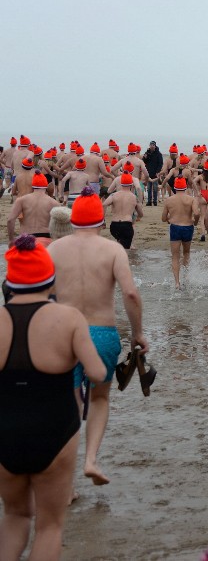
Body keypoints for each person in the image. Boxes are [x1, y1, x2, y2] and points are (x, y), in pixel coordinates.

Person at [0, 236, 107, 561]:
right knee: (49, 527)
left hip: (5, 431)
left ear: (10, 280)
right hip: (56, 430)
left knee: (15, 517)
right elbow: (98, 373)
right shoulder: (69, 318)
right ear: (49, 278)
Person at [48, 187, 147, 487]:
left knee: (68, 403)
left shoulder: (53, 250)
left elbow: (42, 294)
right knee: (100, 397)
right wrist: (138, 334)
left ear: (73, 220)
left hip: (63, 332)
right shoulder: (113, 250)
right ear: (102, 221)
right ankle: (91, 460)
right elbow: (130, 293)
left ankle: (66, 485)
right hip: (102, 333)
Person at [161, 177, 200, 289]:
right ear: (185, 187)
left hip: (175, 227)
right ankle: (186, 278)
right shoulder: (191, 199)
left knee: (175, 256)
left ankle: (177, 283)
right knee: (186, 253)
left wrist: (170, 217)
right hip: (188, 227)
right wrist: (195, 222)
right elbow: (197, 213)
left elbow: (163, 218)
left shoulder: (169, 200)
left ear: (175, 187)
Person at [6, 172, 59, 246]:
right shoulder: (53, 203)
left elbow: (10, 220)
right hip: (46, 238)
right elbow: (60, 224)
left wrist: (11, 239)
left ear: (32, 186)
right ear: (46, 186)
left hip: (26, 239)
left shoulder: (21, 200)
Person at [103, 174, 144, 250]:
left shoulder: (113, 195)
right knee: (125, 252)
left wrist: (103, 220)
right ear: (131, 184)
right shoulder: (134, 197)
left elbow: (104, 205)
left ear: (120, 183)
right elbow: (140, 213)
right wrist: (139, 216)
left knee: (119, 246)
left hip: (114, 226)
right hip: (126, 225)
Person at [142, 141, 162, 206]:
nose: (152, 146)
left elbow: (160, 163)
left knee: (155, 188)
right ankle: (149, 201)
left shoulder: (158, 154)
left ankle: (155, 201)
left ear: (155, 146)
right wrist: (145, 157)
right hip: (148, 172)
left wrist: (158, 172)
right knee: (149, 188)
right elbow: (144, 161)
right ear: (149, 146)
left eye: (153, 145)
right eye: (151, 145)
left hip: (155, 173)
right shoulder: (147, 153)